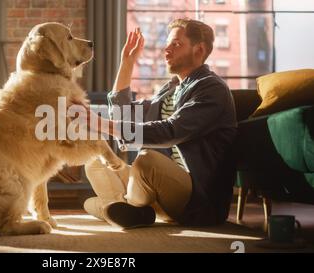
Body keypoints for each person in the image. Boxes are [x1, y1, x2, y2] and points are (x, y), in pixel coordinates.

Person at [81, 18, 238, 228]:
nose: (167, 49)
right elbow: (127, 117)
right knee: (95, 163)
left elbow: (171, 131)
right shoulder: (170, 89)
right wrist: (126, 63)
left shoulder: (212, 88)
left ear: (199, 50)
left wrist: (100, 123)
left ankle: (118, 207)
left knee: (146, 160)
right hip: (157, 192)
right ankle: (131, 210)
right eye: (168, 43)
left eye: (176, 44)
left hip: (197, 200)